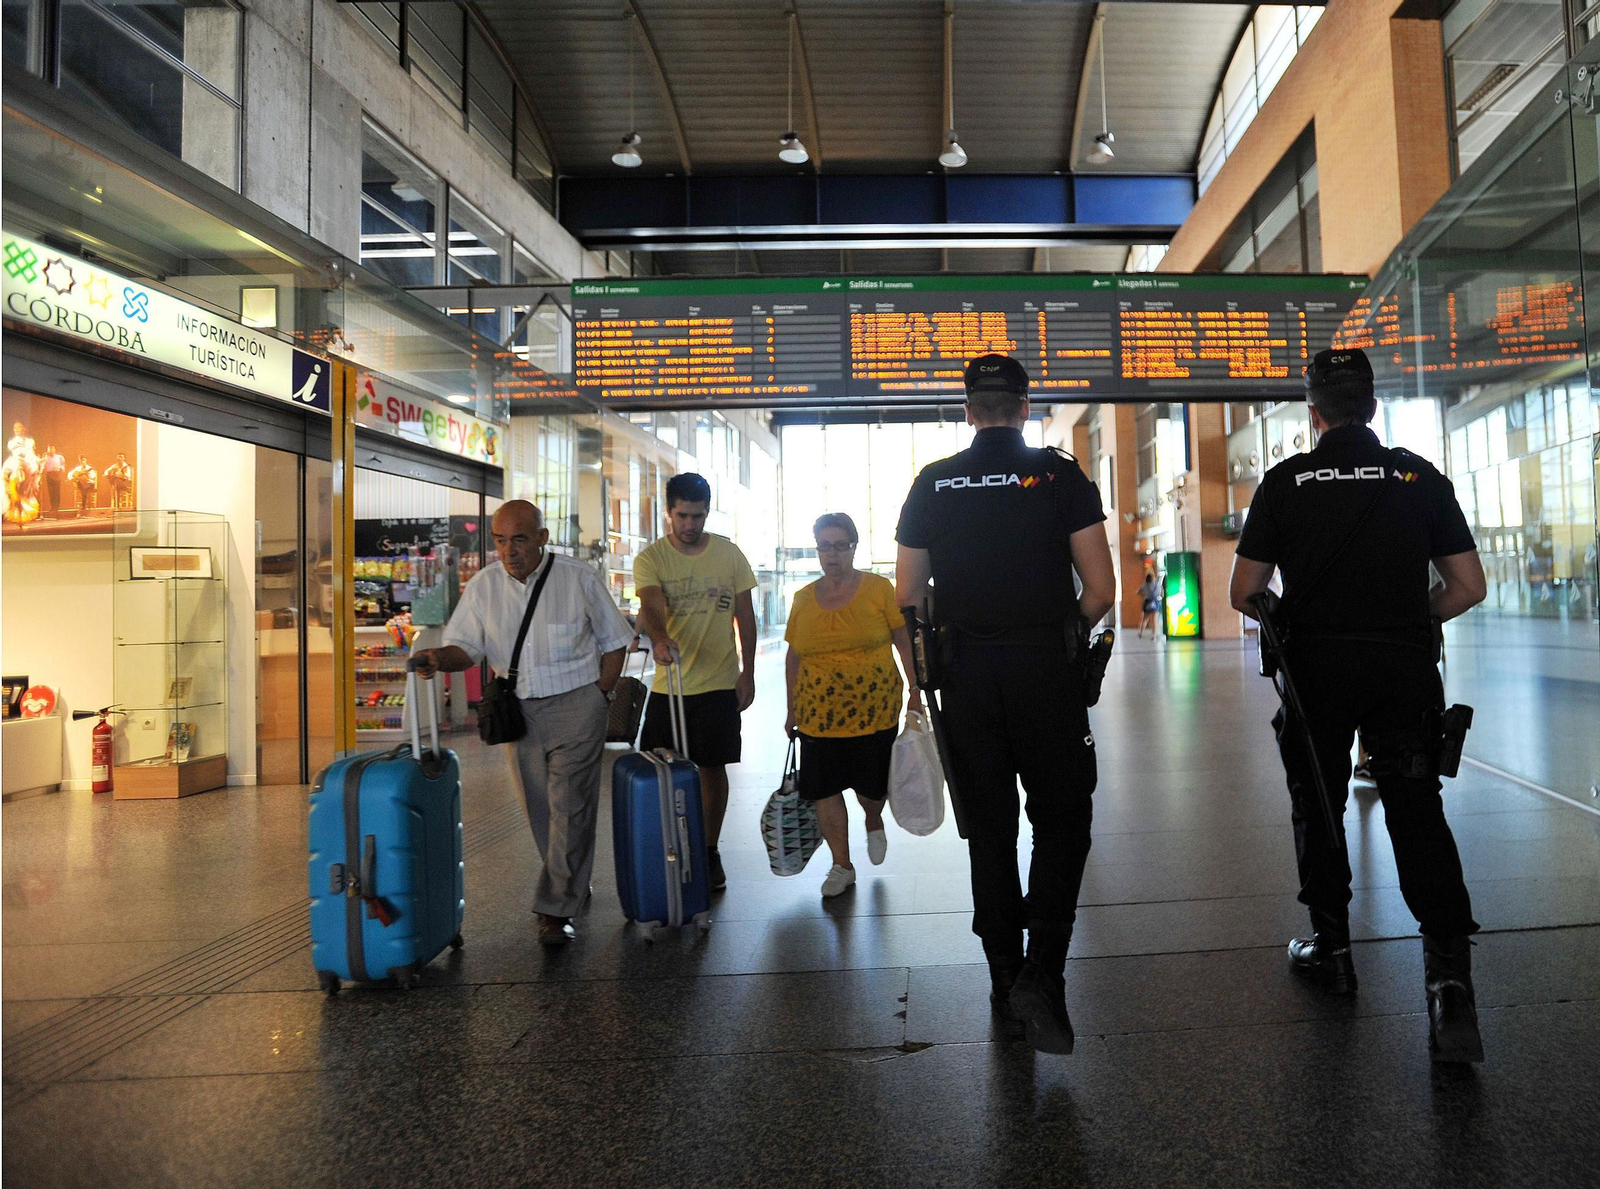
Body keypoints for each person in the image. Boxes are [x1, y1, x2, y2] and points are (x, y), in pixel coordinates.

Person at [1229, 347, 1489, 1064]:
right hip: (1403, 666)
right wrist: (1413, 619)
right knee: (1414, 803)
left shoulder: (1287, 481)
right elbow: (1468, 584)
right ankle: (1447, 981)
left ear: (1313, 412)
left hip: (1316, 671)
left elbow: (1243, 589)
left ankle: (1333, 950)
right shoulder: (1416, 476)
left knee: (1319, 800)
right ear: (1371, 407)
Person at [896, 354, 1115, 1054]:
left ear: (968, 410)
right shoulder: (1059, 474)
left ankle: (1003, 976)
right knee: (1063, 815)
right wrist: (1064, 636)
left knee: (988, 827)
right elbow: (1102, 589)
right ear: (1025, 407)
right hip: (1045, 671)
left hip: (966, 677)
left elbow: (908, 598)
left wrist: (933, 670)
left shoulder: (932, 482)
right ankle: (1044, 970)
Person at [412, 499, 633, 946]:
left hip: (576, 705)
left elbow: (615, 643)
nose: (508, 550)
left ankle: (554, 909)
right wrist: (437, 658)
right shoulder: (484, 586)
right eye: (499, 540)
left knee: (570, 806)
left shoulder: (577, 578)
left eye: (518, 539)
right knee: (540, 810)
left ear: (542, 538)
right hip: (520, 713)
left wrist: (599, 697)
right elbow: (466, 649)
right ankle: (569, 883)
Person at [783, 513, 920, 898]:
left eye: (840, 545)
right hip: (817, 715)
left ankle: (873, 818)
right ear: (817, 551)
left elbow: (903, 640)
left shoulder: (878, 590)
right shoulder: (802, 599)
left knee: (871, 788)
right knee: (825, 789)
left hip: (874, 710)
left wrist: (915, 689)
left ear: (853, 548)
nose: (832, 554)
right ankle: (841, 865)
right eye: (824, 546)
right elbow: (794, 657)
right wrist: (792, 708)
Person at [635, 472, 758, 892]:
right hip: (669, 686)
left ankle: (708, 850)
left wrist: (749, 672)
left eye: (698, 516)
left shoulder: (729, 555)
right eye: (683, 516)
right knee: (657, 771)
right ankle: (664, 846)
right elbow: (651, 603)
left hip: (719, 682)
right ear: (668, 512)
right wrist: (659, 637)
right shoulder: (651, 558)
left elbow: (746, 615)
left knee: (712, 768)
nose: (690, 525)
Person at [40, 445, 64, 516]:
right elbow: (42, 466)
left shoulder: (59, 457)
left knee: (57, 491)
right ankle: (52, 507)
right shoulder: (45, 457)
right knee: (51, 492)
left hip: (56, 474)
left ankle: (56, 507)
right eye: (49, 449)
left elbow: (63, 466)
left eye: (52, 449)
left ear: (54, 449)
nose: (50, 450)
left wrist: (59, 468)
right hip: (49, 474)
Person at [1136, 571, 1160, 638]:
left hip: (1147, 602)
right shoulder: (1157, 585)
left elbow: (1137, 592)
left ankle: (1140, 633)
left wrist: (1144, 594)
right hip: (1155, 602)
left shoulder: (1144, 585)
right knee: (1154, 620)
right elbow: (1160, 593)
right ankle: (1154, 635)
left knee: (1144, 619)